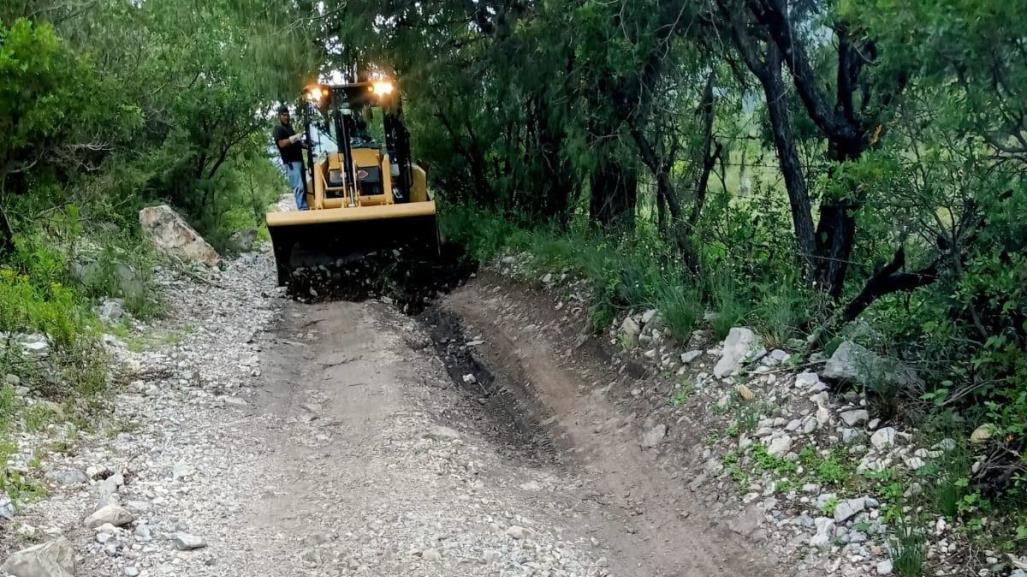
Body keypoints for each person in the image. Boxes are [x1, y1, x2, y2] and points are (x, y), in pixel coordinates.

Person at [273, 105, 308, 210]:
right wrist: (294, 138)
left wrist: (307, 146)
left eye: (287, 115)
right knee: (298, 186)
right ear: (279, 116)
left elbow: (297, 143)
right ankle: (302, 208)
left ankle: (306, 206)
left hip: (300, 160)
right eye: (284, 115)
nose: (286, 117)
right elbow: (282, 144)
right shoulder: (278, 129)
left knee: (304, 185)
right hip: (291, 162)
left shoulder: (290, 129)